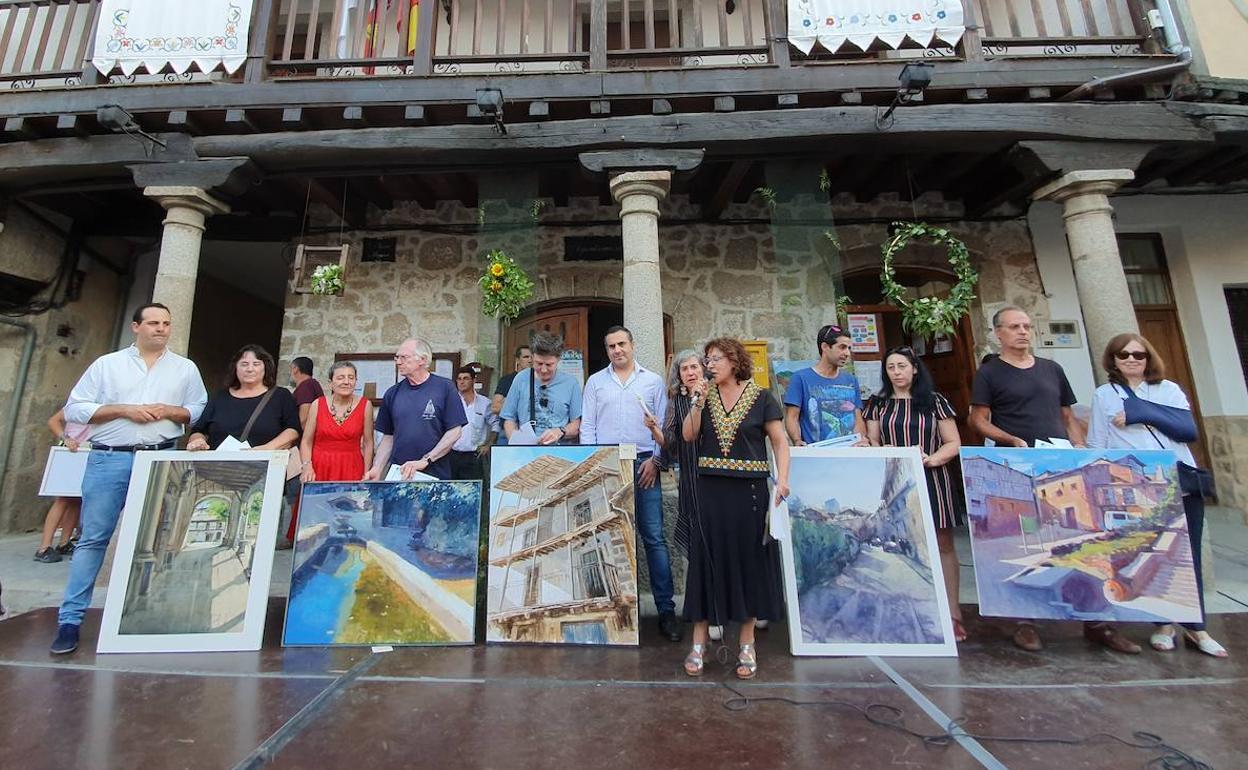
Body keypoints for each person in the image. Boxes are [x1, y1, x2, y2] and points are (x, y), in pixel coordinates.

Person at [969, 307, 1137, 654]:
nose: (1023, 332)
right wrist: (1010, 440)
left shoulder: (1052, 369)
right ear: (998, 333)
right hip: (1019, 465)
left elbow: (1067, 415)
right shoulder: (989, 373)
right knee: (1024, 544)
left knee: (1083, 543)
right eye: (1014, 327)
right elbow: (978, 419)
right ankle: (1024, 622)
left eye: (1027, 326)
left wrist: (1079, 447)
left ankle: (1097, 622)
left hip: (1060, 465)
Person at [51, 303, 208, 655]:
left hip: (159, 456)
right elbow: (76, 408)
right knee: (93, 538)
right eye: (153, 323)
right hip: (111, 458)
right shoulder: (107, 365)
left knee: (160, 538)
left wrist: (171, 410)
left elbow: (198, 408)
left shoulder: (185, 368)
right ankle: (70, 620)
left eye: (166, 323)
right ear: (136, 327)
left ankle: (144, 615)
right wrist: (124, 409)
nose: (161, 329)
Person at [1088, 333, 1227, 658]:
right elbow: (1098, 440)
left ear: (1148, 357)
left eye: (1139, 354)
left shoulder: (1167, 390)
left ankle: (1197, 629)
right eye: (1124, 355)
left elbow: (1185, 430)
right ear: (1113, 360)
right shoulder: (1105, 394)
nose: (1132, 360)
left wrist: (1140, 413)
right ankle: (1163, 624)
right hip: (1137, 484)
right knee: (1153, 555)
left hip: (1178, 478)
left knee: (1186, 555)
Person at [681, 337, 789, 679]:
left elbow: (779, 441)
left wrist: (782, 480)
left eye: (716, 359)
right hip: (710, 491)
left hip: (750, 493)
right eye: (707, 359)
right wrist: (696, 403)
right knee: (705, 563)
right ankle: (698, 643)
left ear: (734, 361)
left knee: (748, 566)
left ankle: (747, 643)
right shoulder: (703, 396)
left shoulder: (761, 398)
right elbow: (688, 436)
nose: (709, 365)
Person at [581, 326, 679, 641]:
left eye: (622, 344)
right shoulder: (596, 382)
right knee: (608, 539)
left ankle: (666, 612)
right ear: (606, 350)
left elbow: (664, 426)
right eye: (611, 346)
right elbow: (588, 427)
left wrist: (657, 461)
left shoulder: (651, 381)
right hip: (609, 466)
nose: (617, 350)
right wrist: (594, 467)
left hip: (644, 466)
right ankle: (614, 613)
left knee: (653, 538)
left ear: (632, 345)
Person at [864, 346, 967, 641]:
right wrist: (881, 451)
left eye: (902, 366)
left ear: (915, 369)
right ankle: (910, 612)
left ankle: (952, 614)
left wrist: (931, 459)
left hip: (932, 477)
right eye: (891, 368)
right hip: (898, 483)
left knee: (942, 542)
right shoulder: (878, 404)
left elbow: (953, 442)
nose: (896, 372)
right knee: (903, 542)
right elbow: (871, 440)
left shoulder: (935, 402)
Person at [365, 338, 466, 481]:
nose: (398, 362)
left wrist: (426, 460)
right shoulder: (392, 393)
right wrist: (377, 468)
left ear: (423, 360)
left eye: (404, 357)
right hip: (399, 475)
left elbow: (455, 432)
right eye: (397, 357)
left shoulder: (445, 388)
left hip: (434, 475)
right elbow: (388, 438)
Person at [187, 345, 301, 452]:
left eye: (256, 364)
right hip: (220, 469)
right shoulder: (220, 397)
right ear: (235, 367)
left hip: (265, 467)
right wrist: (198, 441)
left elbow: (293, 430)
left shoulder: (281, 396)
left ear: (265, 367)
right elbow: (198, 430)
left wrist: (266, 449)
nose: (250, 369)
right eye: (244, 364)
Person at [783, 323, 869, 446]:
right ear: (825, 347)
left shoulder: (851, 380)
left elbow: (857, 418)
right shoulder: (801, 378)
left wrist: (861, 439)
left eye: (849, 348)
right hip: (816, 454)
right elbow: (792, 417)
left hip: (849, 454)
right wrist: (797, 440)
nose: (847, 353)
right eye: (842, 347)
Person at [299, 360, 374, 483]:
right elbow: (306, 441)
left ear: (356, 382)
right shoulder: (317, 404)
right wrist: (307, 466)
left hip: (352, 468)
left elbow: (368, 443)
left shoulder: (366, 405)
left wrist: (366, 474)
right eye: (340, 378)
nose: (346, 382)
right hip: (319, 468)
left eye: (351, 378)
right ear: (331, 383)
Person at [501, 331, 581, 445]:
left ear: (558, 359)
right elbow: (509, 418)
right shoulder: (521, 379)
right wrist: (515, 444)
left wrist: (560, 431)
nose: (543, 370)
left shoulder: (571, 383)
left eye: (549, 365)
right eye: (538, 363)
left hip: (559, 450)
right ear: (532, 357)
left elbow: (576, 425)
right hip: (526, 450)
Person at [33, 409, 90, 563]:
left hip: (86, 451)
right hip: (71, 452)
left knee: (76, 500)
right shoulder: (78, 404)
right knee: (63, 499)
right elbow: (53, 421)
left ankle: (64, 542)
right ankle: (44, 547)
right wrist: (66, 438)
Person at [448, 366, 497, 481]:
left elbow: (496, 424)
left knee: (474, 491)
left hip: (474, 455)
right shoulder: (450, 402)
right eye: (459, 379)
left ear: (474, 380)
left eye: (465, 378)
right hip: (452, 454)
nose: (462, 382)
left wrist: (488, 444)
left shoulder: (485, 403)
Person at [491, 345, 532, 446]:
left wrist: (507, 401)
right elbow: (495, 407)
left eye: (532, 357)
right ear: (518, 360)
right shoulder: (506, 380)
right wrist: (520, 404)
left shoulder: (538, 381)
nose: (530, 360)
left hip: (532, 433)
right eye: (526, 357)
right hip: (506, 433)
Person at [290, 356, 324, 425]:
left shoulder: (306, 386)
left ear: (295, 369)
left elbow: (304, 418)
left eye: (291, 368)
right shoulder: (311, 384)